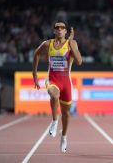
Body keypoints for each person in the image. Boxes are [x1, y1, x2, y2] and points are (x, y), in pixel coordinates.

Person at [32, 21, 82, 153]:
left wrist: (71, 44)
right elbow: (36, 54)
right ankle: (54, 121)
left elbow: (79, 62)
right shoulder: (47, 44)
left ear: (65, 31)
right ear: (54, 31)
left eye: (62, 28)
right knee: (54, 95)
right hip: (52, 79)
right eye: (57, 28)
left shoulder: (72, 44)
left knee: (66, 113)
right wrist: (35, 75)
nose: (59, 29)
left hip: (66, 82)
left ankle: (64, 137)